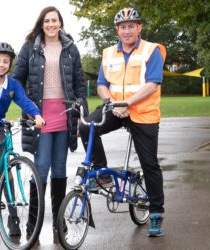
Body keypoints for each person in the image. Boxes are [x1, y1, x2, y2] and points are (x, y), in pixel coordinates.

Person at [79, 7, 166, 237]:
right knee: (86, 126)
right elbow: (101, 84)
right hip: (115, 109)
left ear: (139, 28)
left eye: (132, 26)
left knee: (149, 164)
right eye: (123, 27)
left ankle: (156, 214)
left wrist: (127, 103)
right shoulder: (108, 53)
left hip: (143, 113)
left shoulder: (151, 50)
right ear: (117, 30)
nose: (127, 30)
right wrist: (111, 103)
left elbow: (153, 83)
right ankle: (103, 174)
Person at [13, 6, 87, 234]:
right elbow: (17, 82)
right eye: (47, 21)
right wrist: (29, 110)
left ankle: (58, 222)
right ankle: (33, 224)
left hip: (64, 116)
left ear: (60, 23)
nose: (51, 24)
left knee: (60, 168)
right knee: (41, 167)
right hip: (40, 117)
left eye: (55, 20)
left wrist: (81, 112)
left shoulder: (70, 48)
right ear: (41, 23)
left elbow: (79, 83)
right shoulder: (30, 46)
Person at [0, 42, 45, 236]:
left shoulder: (12, 84)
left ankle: (13, 219)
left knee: (8, 171)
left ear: (10, 63)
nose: (2, 64)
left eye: (5, 61)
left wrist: (36, 115)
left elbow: (24, 101)